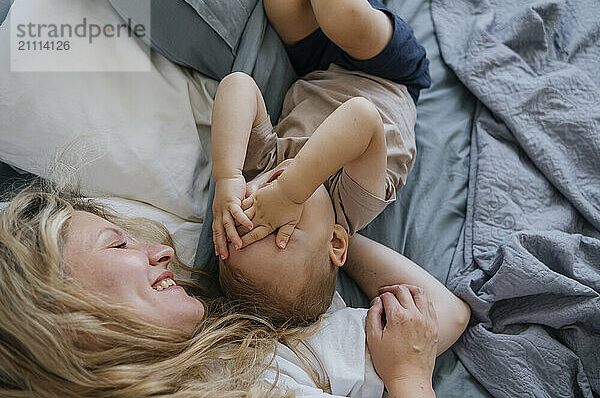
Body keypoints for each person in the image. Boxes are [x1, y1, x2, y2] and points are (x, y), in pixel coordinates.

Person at [0, 177, 446, 397]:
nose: (161, 250)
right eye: (117, 245)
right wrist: (409, 378)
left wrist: (331, 238)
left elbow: (440, 316)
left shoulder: (238, 349)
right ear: (54, 312)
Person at [212, 0, 431, 326]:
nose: (267, 206)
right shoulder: (351, 203)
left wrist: (228, 176)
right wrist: (290, 192)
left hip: (317, 67)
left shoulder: (267, 168)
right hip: (387, 72)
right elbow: (361, 115)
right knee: (342, 16)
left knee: (280, 5)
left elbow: (238, 84)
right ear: (336, 241)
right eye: (283, 225)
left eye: (248, 215)